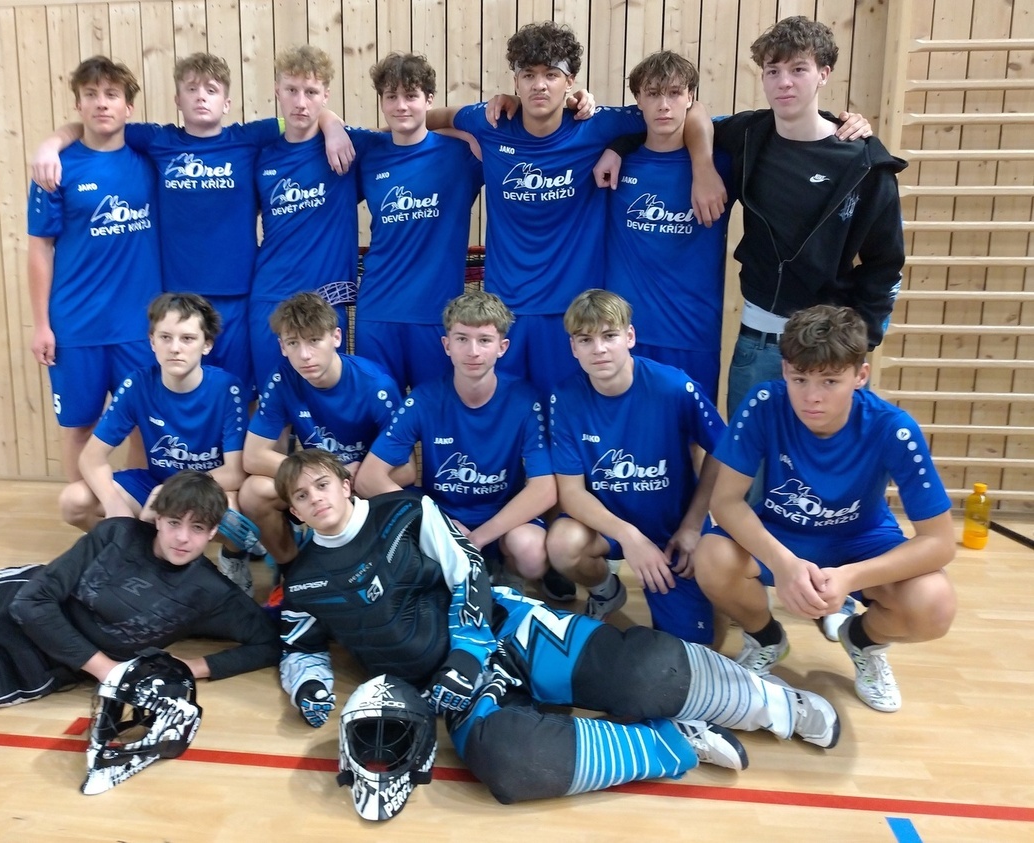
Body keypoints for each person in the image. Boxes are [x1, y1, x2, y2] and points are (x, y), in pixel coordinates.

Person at [273, 449, 841, 806]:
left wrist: (469, 647)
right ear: (295, 512)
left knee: (646, 672)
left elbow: (468, 567)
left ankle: (780, 706)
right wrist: (308, 685)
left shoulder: (405, 511)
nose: (315, 499)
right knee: (511, 765)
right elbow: (299, 646)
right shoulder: (303, 581)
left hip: (505, 628)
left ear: (345, 484)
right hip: (448, 687)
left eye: (322, 484)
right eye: (301, 496)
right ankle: (675, 741)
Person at [596, 16, 901, 421]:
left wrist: (859, 345)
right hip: (757, 342)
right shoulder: (748, 136)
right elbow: (683, 118)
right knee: (744, 459)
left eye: (798, 69)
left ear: (824, 74)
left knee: (821, 458)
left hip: (830, 349)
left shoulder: (864, 162)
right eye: (773, 71)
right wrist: (634, 149)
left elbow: (885, 265)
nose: (784, 82)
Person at [30, 53, 353, 397]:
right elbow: (96, 125)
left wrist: (333, 126)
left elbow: (302, 114)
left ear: (226, 102)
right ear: (177, 99)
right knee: (182, 396)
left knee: (240, 395)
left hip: (239, 295)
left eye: (211, 90)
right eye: (191, 89)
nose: (201, 97)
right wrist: (51, 145)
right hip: (179, 299)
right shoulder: (158, 141)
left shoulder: (248, 138)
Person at [424, 21, 715, 396]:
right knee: (508, 419)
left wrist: (702, 167)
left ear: (570, 81)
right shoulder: (490, 121)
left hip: (573, 316)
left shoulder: (595, 126)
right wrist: (354, 135)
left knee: (564, 420)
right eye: (528, 75)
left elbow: (687, 109)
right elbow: (427, 119)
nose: (539, 85)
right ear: (515, 82)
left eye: (551, 74)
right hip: (504, 312)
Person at [695, 305, 956, 713]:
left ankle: (863, 640)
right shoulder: (764, 403)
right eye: (800, 379)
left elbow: (940, 543)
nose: (812, 397)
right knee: (710, 557)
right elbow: (725, 501)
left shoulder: (894, 428)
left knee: (935, 603)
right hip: (780, 533)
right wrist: (782, 563)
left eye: (830, 381)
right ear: (785, 370)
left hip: (861, 542)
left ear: (860, 376)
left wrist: (850, 577)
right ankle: (766, 639)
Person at [0, 470, 278, 735]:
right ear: (158, 519)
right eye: (173, 523)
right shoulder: (116, 534)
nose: (182, 538)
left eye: (197, 528)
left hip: (27, 663)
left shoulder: (211, 592)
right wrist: (108, 671)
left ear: (212, 532)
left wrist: (191, 667)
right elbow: (31, 603)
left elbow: (269, 642)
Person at [547, 290, 723, 643]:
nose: (598, 349)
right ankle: (606, 590)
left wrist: (692, 526)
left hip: (673, 531)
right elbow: (571, 493)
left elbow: (723, 452)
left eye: (609, 335)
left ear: (629, 336)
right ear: (573, 348)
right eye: (585, 339)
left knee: (696, 646)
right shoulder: (564, 398)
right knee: (563, 543)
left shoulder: (675, 387)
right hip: (609, 527)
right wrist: (630, 537)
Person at [355, 291, 560, 593]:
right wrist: (438, 523)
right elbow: (368, 479)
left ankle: (505, 580)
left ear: (502, 347)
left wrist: (478, 538)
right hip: (443, 515)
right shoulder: (424, 399)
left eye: (484, 340)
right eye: (462, 339)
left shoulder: (525, 399)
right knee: (392, 543)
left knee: (531, 552)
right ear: (446, 345)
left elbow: (545, 489)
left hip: (502, 519)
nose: (473, 351)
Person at [56, 293, 254, 591]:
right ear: (152, 342)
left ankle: (234, 558)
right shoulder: (137, 384)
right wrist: (115, 507)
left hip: (206, 484)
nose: (175, 348)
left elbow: (235, 472)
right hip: (152, 483)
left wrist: (172, 492)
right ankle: (133, 550)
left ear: (207, 344)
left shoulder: (227, 388)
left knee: (234, 517)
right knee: (73, 501)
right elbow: (91, 458)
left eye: (187, 338)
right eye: (165, 337)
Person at [27, 56, 161, 481]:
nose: (101, 103)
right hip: (76, 326)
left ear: (128, 107)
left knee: (143, 426)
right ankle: (84, 516)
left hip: (138, 326)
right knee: (80, 428)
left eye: (111, 95)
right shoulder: (55, 168)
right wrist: (41, 325)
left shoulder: (150, 159)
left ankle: (133, 515)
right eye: (91, 94)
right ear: (78, 104)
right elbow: (39, 249)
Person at [238, 293, 407, 571]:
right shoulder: (282, 379)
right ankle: (292, 571)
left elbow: (407, 471)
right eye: (293, 343)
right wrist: (325, 477)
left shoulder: (376, 385)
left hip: (360, 487)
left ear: (336, 337)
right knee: (253, 492)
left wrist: (346, 481)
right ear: (282, 346)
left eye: (314, 340)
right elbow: (253, 457)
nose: (304, 355)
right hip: (325, 482)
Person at [602, 50, 734, 403]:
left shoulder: (720, 166)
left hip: (693, 333)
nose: (664, 105)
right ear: (638, 100)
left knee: (690, 431)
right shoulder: (614, 163)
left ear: (690, 97)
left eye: (675, 93)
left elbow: (782, 129)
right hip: (624, 333)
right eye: (653, 94)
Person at [352, 52, 484, 393]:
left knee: (437, 416)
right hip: (378, 313)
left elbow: (518, 130)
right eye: (391, 96)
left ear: (429, 99)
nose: (400, 106)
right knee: (381, 418)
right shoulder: (368, 156)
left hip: (438, 316)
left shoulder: (462, 154)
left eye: (411, 96)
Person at [249, 45, 361, 390]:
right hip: (270, 296)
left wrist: (334, 126)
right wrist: (331, 122)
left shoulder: (349, 148)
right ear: (277, 91)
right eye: (291, 90)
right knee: (272, 401)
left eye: (311, 92)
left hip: (325, 301)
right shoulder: (260, 157)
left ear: (326, 95)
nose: (300, 102)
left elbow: (409, 134)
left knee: (327, 403)